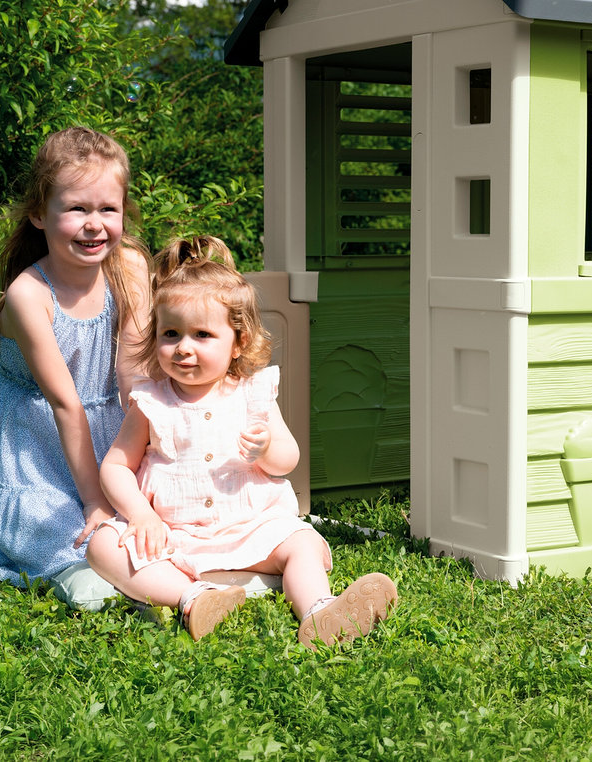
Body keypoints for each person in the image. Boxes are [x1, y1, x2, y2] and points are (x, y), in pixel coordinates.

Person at [87, 236, 398, 645]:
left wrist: (267, 449)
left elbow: (288, 458)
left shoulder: (253, 393)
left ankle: (320, 611)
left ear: (240, 343)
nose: (183, 348)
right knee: (103, 546)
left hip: (253, 528)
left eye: (202, 335)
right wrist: (141, 515)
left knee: (301, 542)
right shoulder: (150, 402)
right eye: (170, 334)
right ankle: (192, 598)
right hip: (176, 533)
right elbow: (115, 466)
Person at [0, 126, 151, 610]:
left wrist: (141, 459)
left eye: (107, 209)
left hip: (104, 426)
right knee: (58, 524)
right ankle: (80, 575)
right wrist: (96, 502)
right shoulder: (29, 296)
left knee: (148, 507)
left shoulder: (130, 265)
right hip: (28, 443)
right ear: (39, 213)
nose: (94, 224)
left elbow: (133, 371)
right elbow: (65, 403)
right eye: (76, 208)